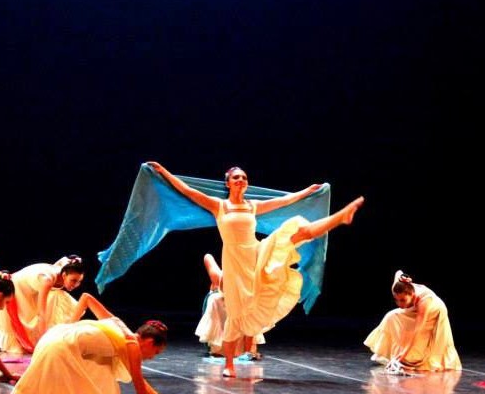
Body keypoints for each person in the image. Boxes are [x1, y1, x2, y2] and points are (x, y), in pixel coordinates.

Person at [148, 161, 364, 377]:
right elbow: (188, 191)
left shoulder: (252, 206)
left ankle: (339, 217)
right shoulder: (219, 206)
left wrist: (305, 192)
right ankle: (229, 364)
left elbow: (282, 201)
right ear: (228, 183)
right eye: (236, 178)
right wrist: (163, 172)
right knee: (235, 312)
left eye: (244, 177)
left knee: (295, 233)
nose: (241, 180)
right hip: (234, 262)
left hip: (255, 253)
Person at [0, 292, 197, 394]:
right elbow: (142, 390)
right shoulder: (132, 345)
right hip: (61, 348)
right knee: (100, 378)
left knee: (103, 367)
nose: (152, 358)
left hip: (52, 337)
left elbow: (85, 297)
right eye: (156, 352)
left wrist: (70, 324)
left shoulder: (117, 322)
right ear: (149, 342)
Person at [364, 270, 461, 372]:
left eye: (402, 300)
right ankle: (394, 354)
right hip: (416, 308)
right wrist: (402, 276)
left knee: (418, 337)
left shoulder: (424, 303)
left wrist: (403, 356)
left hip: (434, 311)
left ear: (412, 294)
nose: (399, 304)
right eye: (396, 300)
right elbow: (398, 272)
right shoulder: (398, 287)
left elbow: (417, 331)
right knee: (391, 316)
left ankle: (409, 356)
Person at [0, 255, 85, 353]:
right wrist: (44, 342)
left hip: (31, 291)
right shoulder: (47, 280)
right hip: (18, 289)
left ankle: (58, 336)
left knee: (58, 297)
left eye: (79, 282)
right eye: (73, 280)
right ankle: (41, 342)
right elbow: (41, 313)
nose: (76, 285)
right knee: (30, 320)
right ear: (64, 275)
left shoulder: (60, 272)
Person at [195, 253, 265, 358]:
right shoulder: (223, 282)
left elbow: (249, 328)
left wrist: (247, 352)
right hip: (225, 289)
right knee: (209, 260)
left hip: (233, 289)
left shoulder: (247, 293)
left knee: (209, 260)